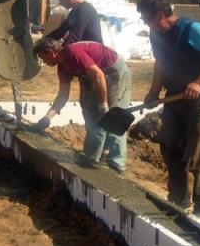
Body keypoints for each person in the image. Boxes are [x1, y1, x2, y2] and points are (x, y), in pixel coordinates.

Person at [138, 0, 200, 222]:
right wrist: (154, 92)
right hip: (174, 97)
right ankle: (178, 200)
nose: (145, 24)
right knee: (169, 147)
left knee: (199, 150)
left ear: (159, 15)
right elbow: (160, 63)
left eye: (146, 19)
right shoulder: (156, 34)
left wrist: (199, 82)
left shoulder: (192, 29)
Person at [28, 36, 131, 173]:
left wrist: (103, 106)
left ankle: (116, 163)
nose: (44, 62)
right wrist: (48, 117)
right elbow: (63, 95)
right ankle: (91, 156)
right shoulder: (62, 67)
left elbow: (98, 75)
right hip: (94, 74)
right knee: (88, 110)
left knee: (114, 117)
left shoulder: (73, 52)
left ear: (51, 52)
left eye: (43, 58)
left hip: (113, 71)